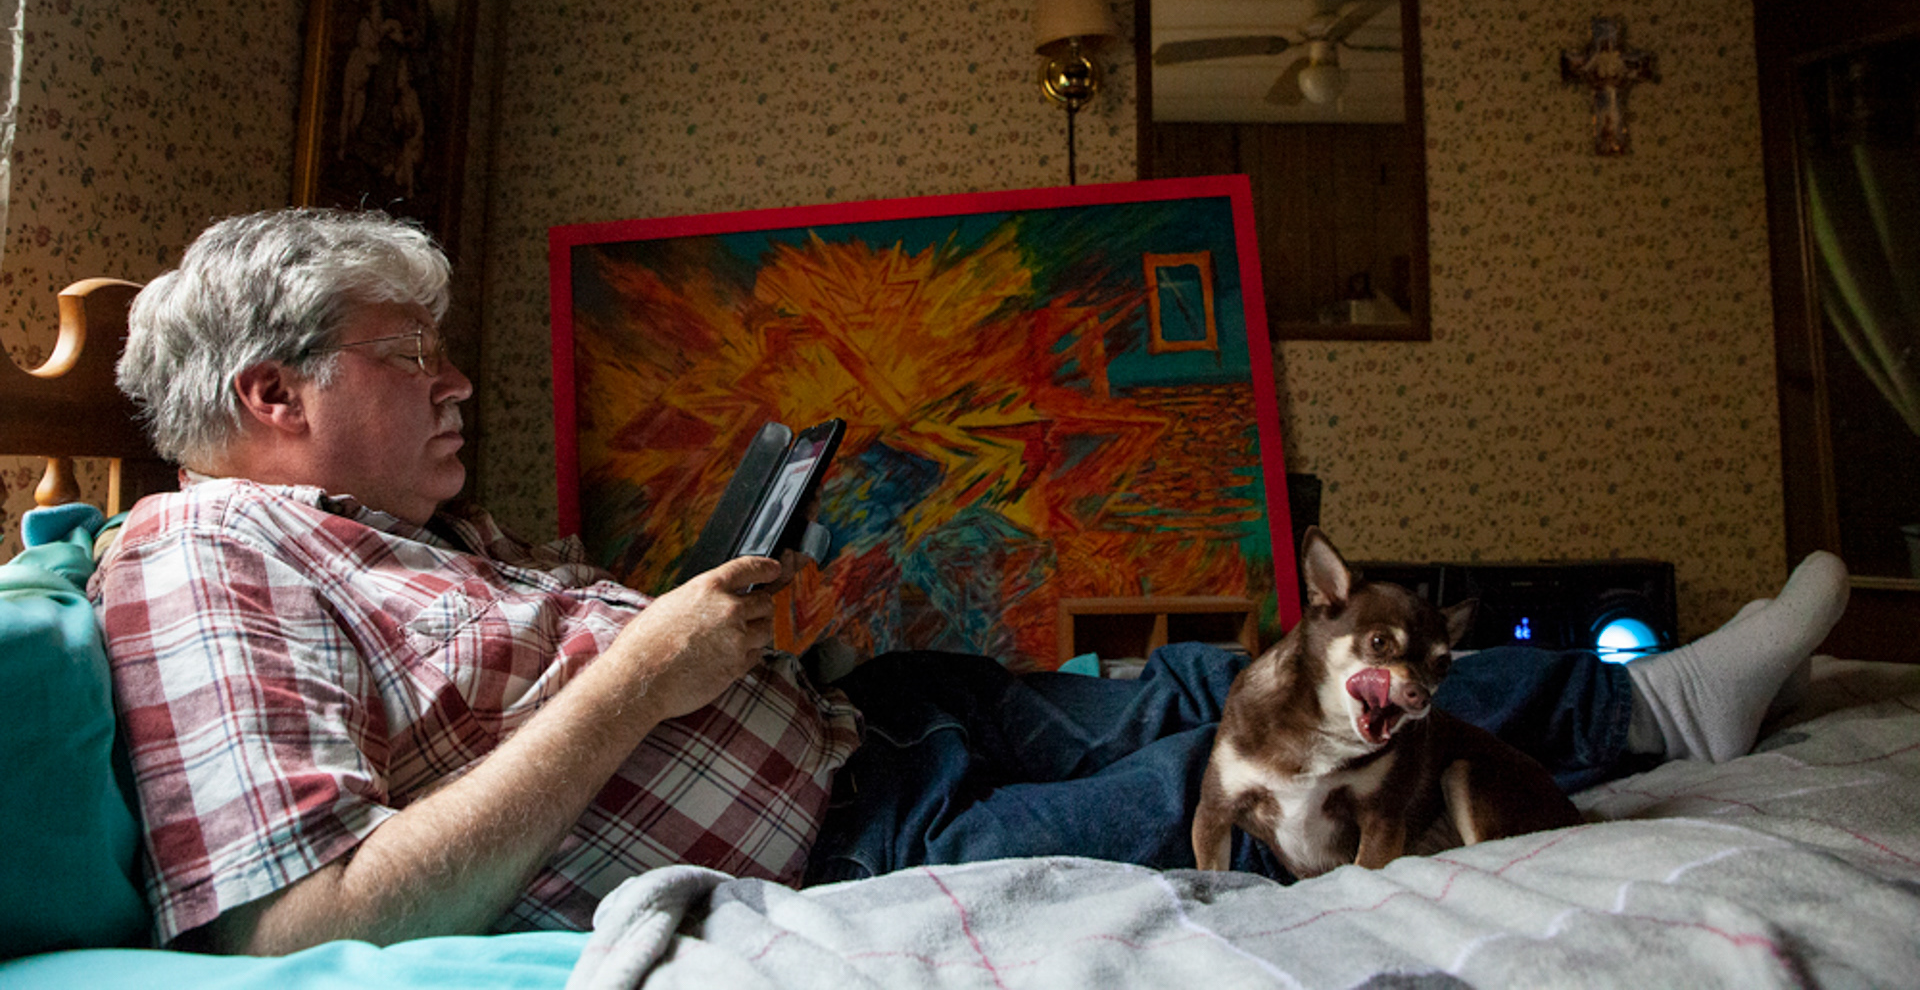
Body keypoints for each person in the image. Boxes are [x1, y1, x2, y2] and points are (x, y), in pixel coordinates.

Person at [91, 207, 1849, 956]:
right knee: (1251, 773)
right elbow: (300, 920)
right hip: (840, 840)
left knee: (1213, 676)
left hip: (872, 724)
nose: (458, 382)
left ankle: (1645, 694)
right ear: (273, 397)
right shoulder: (201, 560)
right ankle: (1658, 710)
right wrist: (650, 675)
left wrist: (726, 627)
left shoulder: (406, 538)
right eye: (416, 356)